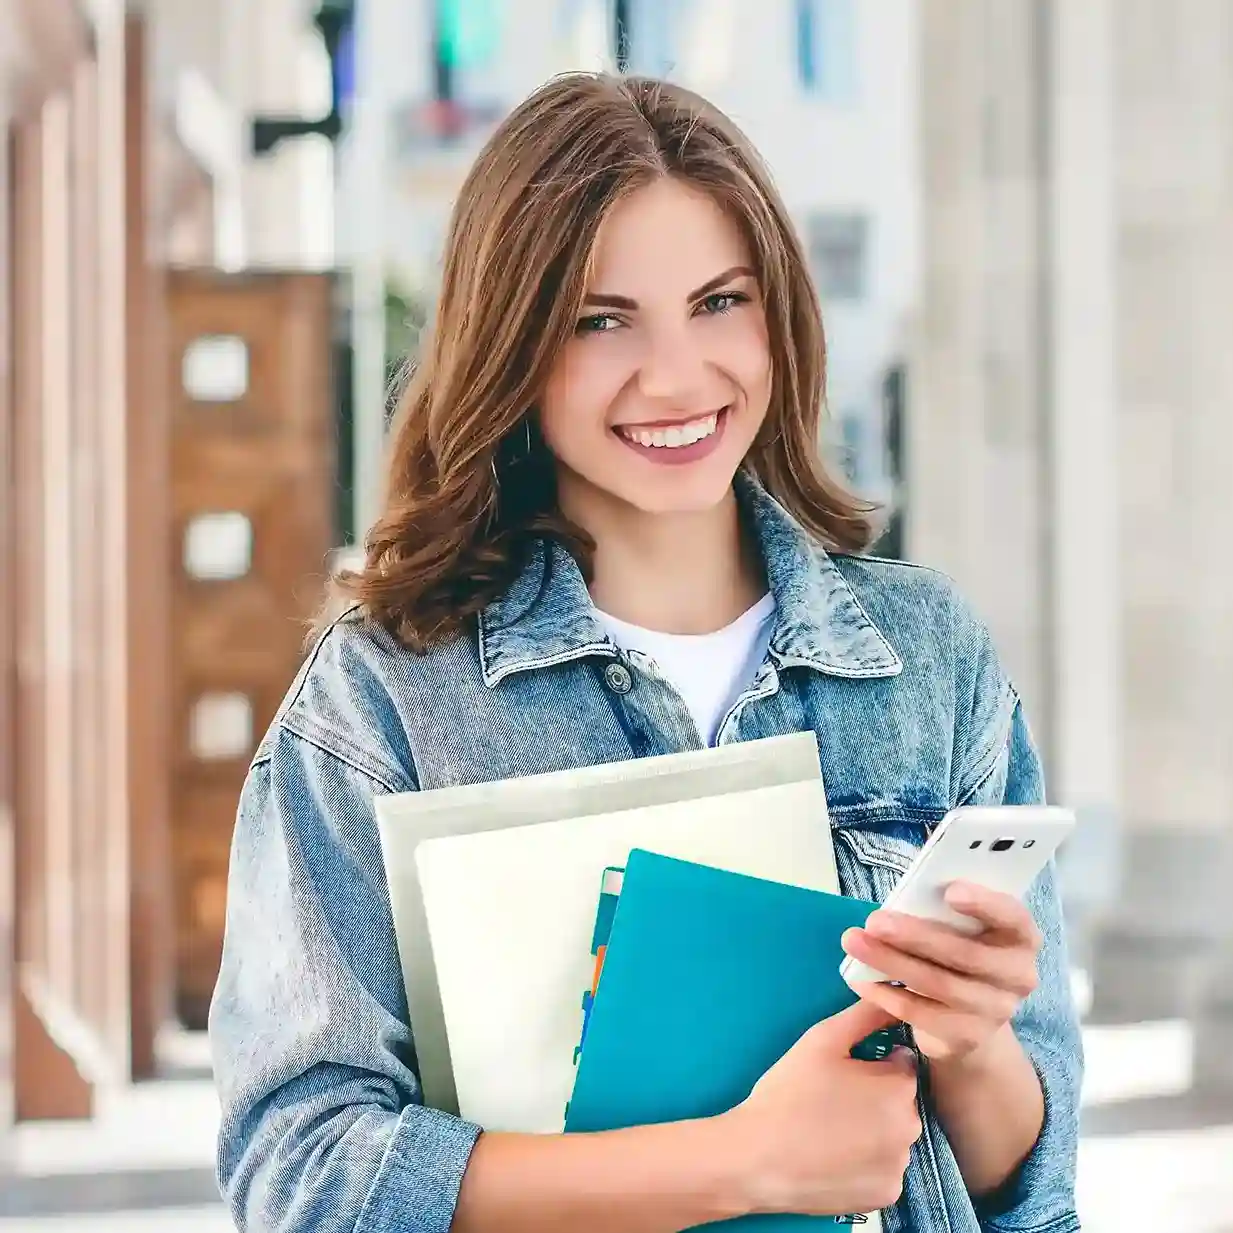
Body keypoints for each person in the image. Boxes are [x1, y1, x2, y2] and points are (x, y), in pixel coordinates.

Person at [209, 73, 1082, 1233]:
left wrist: (969, 1043)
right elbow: (303, 1172)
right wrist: (738, 1167)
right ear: (512, 343)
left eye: (719, 302)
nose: (676, 376)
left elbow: (1031, 1189)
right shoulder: (387, 701)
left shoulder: (927, 661)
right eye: (600, 319)